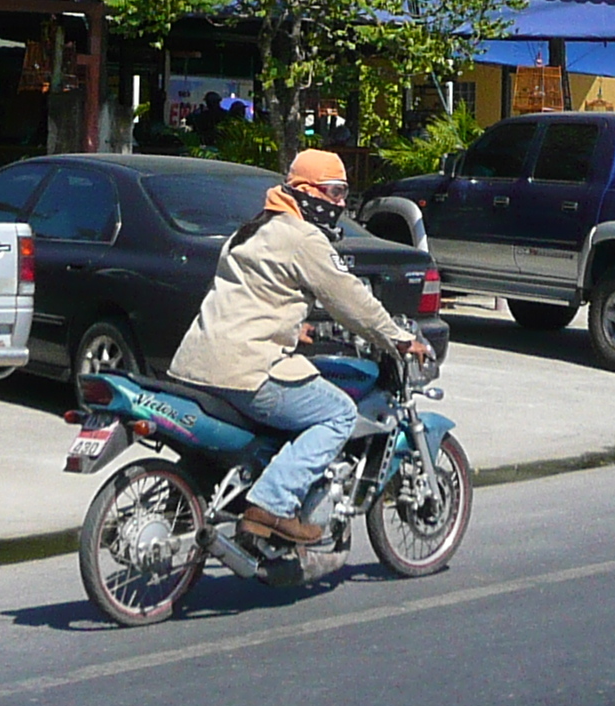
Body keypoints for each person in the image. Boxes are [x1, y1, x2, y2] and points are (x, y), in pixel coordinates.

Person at [166, 147, 428, 546]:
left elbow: (250, 292)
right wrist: (398, 337)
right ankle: (272, 505)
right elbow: (348, 298)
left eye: (343, 193)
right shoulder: (302, 237)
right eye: (334, 192)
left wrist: (293, 326)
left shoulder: (251, 229)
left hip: (196, 364)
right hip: (246, 369)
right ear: (306, 191)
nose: (340, 203)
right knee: (338, 413)